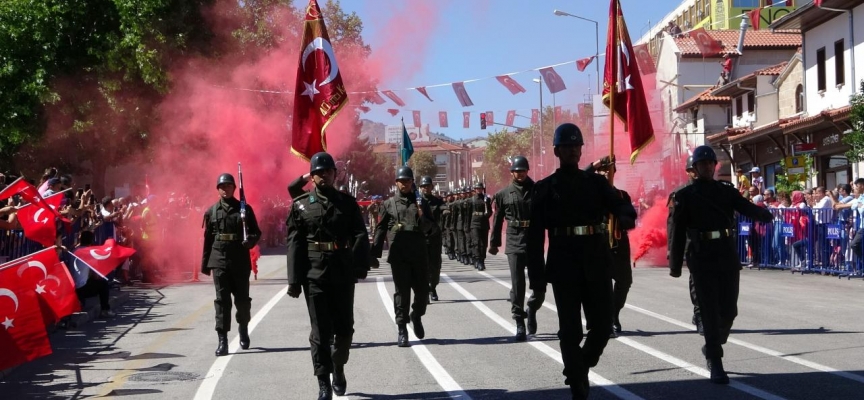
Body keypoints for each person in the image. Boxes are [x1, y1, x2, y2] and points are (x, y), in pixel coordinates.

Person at [527, 123, 637, 399]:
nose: (573, 150)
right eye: (567, 146)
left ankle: (580, 366)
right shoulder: (545, 189)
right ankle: (578, 383)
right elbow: (534, 239)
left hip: (596, 260)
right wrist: (538, 281)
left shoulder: (597, 183)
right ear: (557, 151)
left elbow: (620, 204)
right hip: (564, 263)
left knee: (601, 327)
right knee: (570, 329)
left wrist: (626, 216)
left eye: (577, 146)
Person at [668, 145, 773, 385]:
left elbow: (744, 207)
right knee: (709, 311)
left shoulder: (725, 190)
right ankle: (716, 361)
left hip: (726, 254)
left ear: (714, 166)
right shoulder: (683, 195)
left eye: (709, 163)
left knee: (729, 310)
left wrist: (762, 214)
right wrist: (675, 265)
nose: (706, 167)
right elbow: (676, 232)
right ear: (693, 168)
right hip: (701, 256)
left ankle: (712, 342)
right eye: (701, 164)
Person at [286, 152, 370, 399]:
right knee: (320, 332)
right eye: (319, 172)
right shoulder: (301, 205)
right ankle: (323, 382)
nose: (324, 175)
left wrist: (359, 264)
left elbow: (360, 234)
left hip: (342, 271)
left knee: (345, 330)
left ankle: (339, 367)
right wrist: (294, 280)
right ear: (311, 176)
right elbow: (294, 243)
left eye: (328, 171)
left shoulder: (347, 203)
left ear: (335, 174)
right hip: (314, 274)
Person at [371, 166, 437, 347]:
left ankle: (416, 315)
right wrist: (374, 254)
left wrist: (423, 217)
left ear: (412, 183)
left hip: (419, 253)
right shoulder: (389, 204)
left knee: (423, 292)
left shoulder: (421, 202)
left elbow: (432, 227)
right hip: (399, 255)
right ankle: (402, 328)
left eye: (408, 181)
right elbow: (381, 228)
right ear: (396, 183)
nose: (405, 184)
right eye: (402, 181)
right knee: (402, 293)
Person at [201, 172, 261, 357]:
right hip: (219, 259)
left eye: (228, 186)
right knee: (222, 302)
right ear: (217, 189)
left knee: (242, 301)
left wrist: (249, 241)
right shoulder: (211, 212)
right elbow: (208, 240)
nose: (225, 189)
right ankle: (223, 340)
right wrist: (205, 264)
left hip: (239, 260)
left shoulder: (244, 209)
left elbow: (256, 232)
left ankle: (243, 327)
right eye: (222, 186)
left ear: (234, 188)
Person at [490, 155, 543, 341]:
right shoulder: (503, 194)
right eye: (516, 171)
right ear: (511, 172)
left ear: (527, 171)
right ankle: (519, 321)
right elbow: (497, 221)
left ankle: (532, 308)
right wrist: (494, 243)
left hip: (535, 240)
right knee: (517, 284)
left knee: (540, 286)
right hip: (514, 242)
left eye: (522, 170)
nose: (520, 174)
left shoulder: (538, 190)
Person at [584, 156, 633, 338]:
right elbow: (580, 176)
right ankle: (603, 318)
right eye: (602, 171)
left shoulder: (622, 195)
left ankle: (614, 314)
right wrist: (595, 163)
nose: (606, 174)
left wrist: (625, 219)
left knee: (624, 282)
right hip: (598, 243)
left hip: (619, 243)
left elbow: (630, 217)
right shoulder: (590, 195)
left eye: (609, 170)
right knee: (598, 284)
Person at [667, 156, 704, 334]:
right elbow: (673, 225)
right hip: (691, 243)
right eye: (693, 169)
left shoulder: (712, 189)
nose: (696, 172)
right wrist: (672, 249)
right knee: (697, 280)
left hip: (713, 244)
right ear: (688, 171)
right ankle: (699, 314)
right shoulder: (680, 193)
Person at [418, 176, 445, 302]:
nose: (425, 188)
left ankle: (433, 287)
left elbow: (443, 207)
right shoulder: (417, 202)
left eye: (428, 186)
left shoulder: (437, 201)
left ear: (431, 187)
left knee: (435, 265)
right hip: (421, 238)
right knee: (423, 265)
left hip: (434, 237)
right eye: (423, 186)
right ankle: (425, 290)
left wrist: (445, 210)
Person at [469, 182, 493, 270]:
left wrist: (487, 206)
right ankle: (477, 259)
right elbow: (468, 214)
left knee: (484, 244)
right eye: (477, 188)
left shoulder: (486, 199)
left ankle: (482, 260)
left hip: (484, 223)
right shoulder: (472, 200)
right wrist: (467, 226)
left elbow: (490, 212)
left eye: (480, 188)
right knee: (476, 242)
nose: (479, 190)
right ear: (475, 190)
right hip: (474, 223)